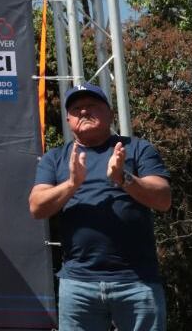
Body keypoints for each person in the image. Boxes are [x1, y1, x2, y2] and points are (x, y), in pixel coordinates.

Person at [29, 83, 171, 331]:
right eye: (76, 109)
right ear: (69, 120)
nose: (84, 111)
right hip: (78, 284)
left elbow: (163, 199)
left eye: (91, 105)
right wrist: (72, 183)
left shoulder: (137, 148)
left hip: (136, 282)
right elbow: (37, 207)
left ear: (110, 114)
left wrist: (123, 177)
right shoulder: (56, 158)